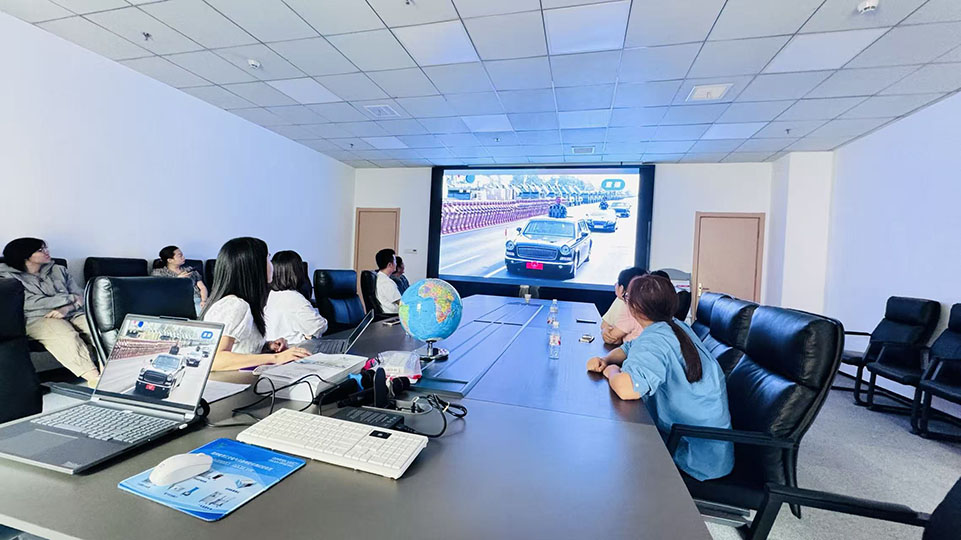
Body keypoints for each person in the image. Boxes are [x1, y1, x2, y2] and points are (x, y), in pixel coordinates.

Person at [586, 275, 734, 481]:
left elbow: (628, 389)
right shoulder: (674, 326)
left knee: (605, 455)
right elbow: (630, 347)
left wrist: (610, 370)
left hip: (695, 455)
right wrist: (606, 359)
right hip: (709, 446)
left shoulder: (656, 339)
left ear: (635, 307)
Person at [201, 237, 310, 371]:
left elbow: (239, 348)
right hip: (231, 382)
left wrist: (267, 347)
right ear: (254, 266)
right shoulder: (235, 305)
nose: (272, 265)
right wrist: (276, 358)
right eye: (268, 258)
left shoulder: (239, 303)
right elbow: (214, 359)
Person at [0, 238, 99, 384]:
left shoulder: (59, 270)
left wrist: (67, 308)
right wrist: (70, 298)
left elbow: (82, 295)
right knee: (64, 334)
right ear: (24, 255)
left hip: (71, 312)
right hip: (37, 318)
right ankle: (95, 379)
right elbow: (28, 302)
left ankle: (111, 371)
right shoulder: (7, 276)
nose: (47, 252)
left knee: (99, 328)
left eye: (45, 248)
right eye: (40, 250)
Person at [264, 250, 327, 345]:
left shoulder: (271, 295)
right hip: (294, 348)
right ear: (297, 272)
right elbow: (318, 326)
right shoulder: (294, 299)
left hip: (274, 349)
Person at [151, 245, 208, 316]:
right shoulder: (159, 273)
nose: (183, 257)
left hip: (196, 299)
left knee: (205, 313)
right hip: (174, 301)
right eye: (180, 256)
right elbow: (160, 291)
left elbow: (202, 287)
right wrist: (177, 279)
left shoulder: (190, 270)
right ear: (170, 260)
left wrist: (204, 301)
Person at [601, 266, 646, 345]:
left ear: (621, 289)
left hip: (634, 350)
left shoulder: (631, 308)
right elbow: (605, 325)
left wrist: (605, 332)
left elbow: (610, 337)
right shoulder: (649, 305)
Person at [374, 248, 401, 315]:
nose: (396, 264)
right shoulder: (387, 282)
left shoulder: (379, 277)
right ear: (390, 265)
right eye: (395, 261)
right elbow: (401, 303)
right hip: (394, 316)